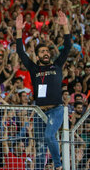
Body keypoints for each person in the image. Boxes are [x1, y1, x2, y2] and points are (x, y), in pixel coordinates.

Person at [16, 11, 72, 170]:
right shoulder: (33, 69)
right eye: (42, 52)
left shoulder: (57, 65)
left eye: (47, 51)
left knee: (49, 136)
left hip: (56, 109)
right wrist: (19, 31)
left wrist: (65, 26)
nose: (46, 53)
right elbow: (21, 52)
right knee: (40, 145)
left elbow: (67, 46)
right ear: (37, 55)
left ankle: (58, 165)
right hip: (40, 112)